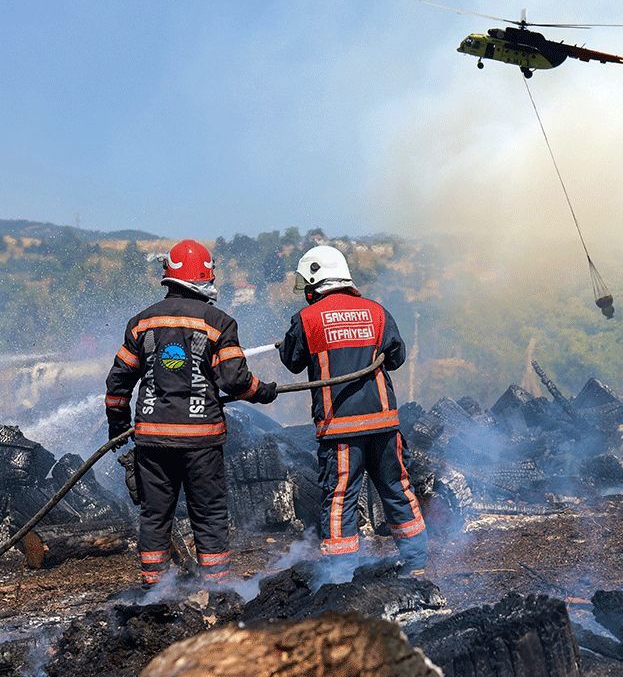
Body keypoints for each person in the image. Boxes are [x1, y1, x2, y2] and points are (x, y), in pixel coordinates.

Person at [105, 239, 278, 585]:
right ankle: (215, 588)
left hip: (152, 441)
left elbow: (118, 382)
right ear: (205, 278)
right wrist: (263, 392)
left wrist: (118, 426)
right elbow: (235, 380)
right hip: (202, 441)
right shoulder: (219, 322)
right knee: (209, 514)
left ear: (169, 276)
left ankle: (155, 590)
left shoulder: (141, 323)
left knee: (155, 515)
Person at [278, 244, 427, 575]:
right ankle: (416, 561)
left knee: (340, 497)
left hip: (341, 429)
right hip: (384, 425)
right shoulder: (376, 312)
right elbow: (397, 358)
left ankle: (341, 572)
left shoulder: (307, 319)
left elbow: (291, 361)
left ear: (315, 280)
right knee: (397, 487)